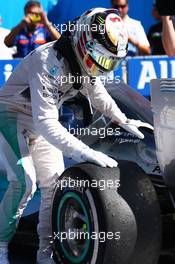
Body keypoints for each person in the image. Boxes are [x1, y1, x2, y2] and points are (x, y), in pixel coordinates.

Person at [0, 8, 153, 264]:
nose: (102, 67)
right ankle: (1, 245)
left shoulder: (83, 58)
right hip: (11, 115)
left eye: (110, 63)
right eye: (102, 60)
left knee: (55, 187)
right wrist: (85, 152)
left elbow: (98, 94)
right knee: (24, 182)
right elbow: (47, 121)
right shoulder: (48, 61)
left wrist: (123, 120)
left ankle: (46, 255)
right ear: (85, 42)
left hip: (39, 120)